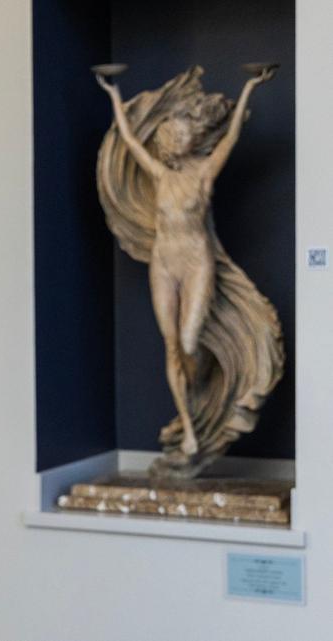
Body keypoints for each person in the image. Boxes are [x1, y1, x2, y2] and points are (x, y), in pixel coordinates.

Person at [95, 66, 284, 476]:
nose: (177, 138)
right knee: (171, 345)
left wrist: (249, 86)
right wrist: (113, 93)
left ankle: (199, 394)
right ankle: (192, 432)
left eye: (182, 133)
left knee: (190, 340)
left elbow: (232, 137)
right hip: (164, 262)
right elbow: (128, 139)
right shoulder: (160, 174)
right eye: (171, 134)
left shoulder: (204, 174)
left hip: (197, 260)